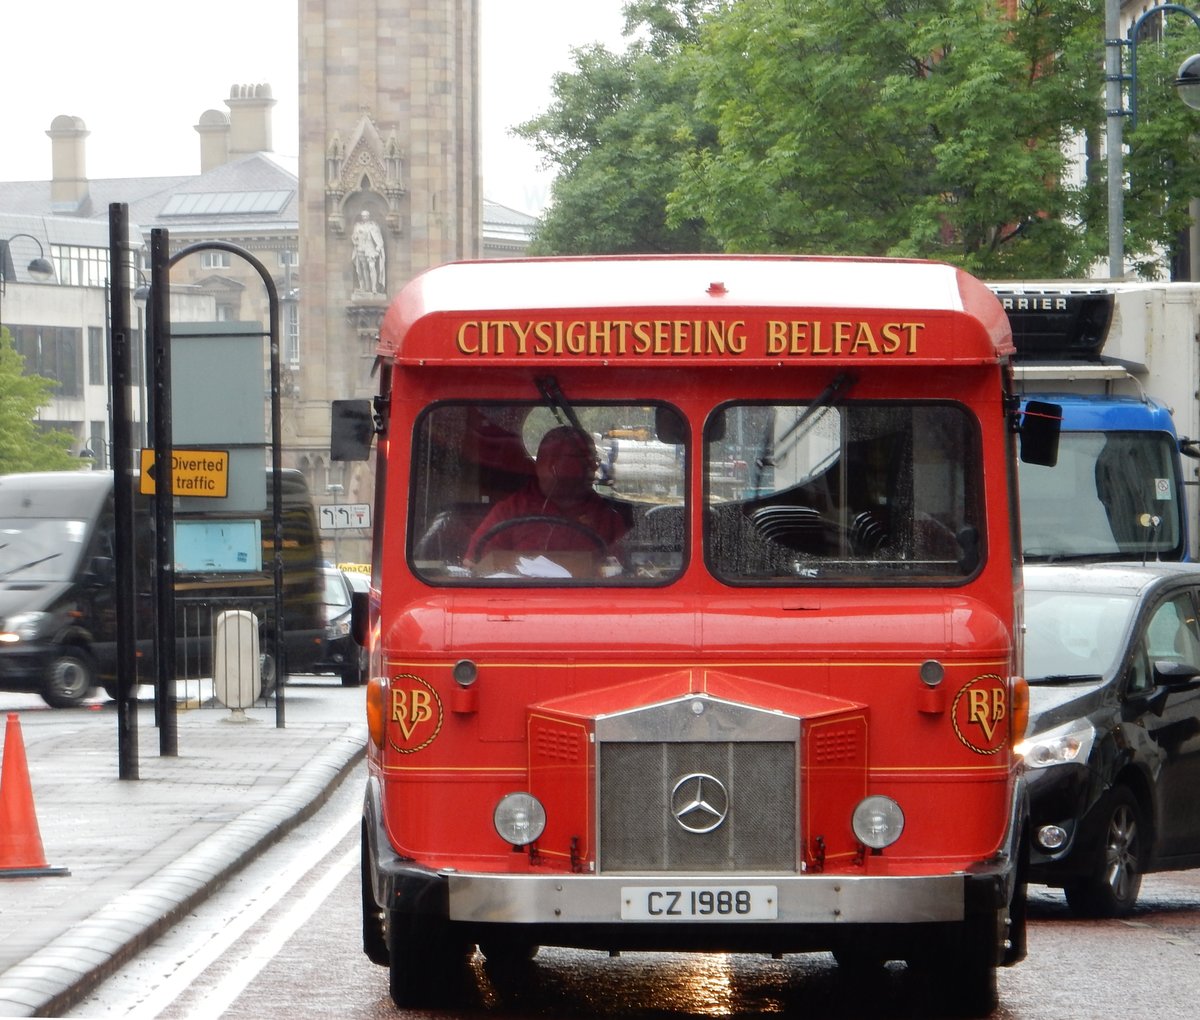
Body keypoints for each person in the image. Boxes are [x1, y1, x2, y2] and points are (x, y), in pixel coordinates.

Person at [465, 426, 627, 568]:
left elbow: (624, 573)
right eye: (584, 459)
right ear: (551, 465)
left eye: (594, 460)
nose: (593, 467)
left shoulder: (606, 517)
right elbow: (474, 564)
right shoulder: (510, 511)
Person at [351, 209, 386, 294]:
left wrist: (378, 248)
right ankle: (366, 287)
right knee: (364, 268)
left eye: (366, 216)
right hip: (361, 248)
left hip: (371, 249)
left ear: (369, 216)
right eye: (363, 216)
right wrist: (355, 238)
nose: (364, 217)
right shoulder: (358, 226)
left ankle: (374, 288)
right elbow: (354, 237)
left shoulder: (373, 226)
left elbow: (379, 238)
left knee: (371, 267)